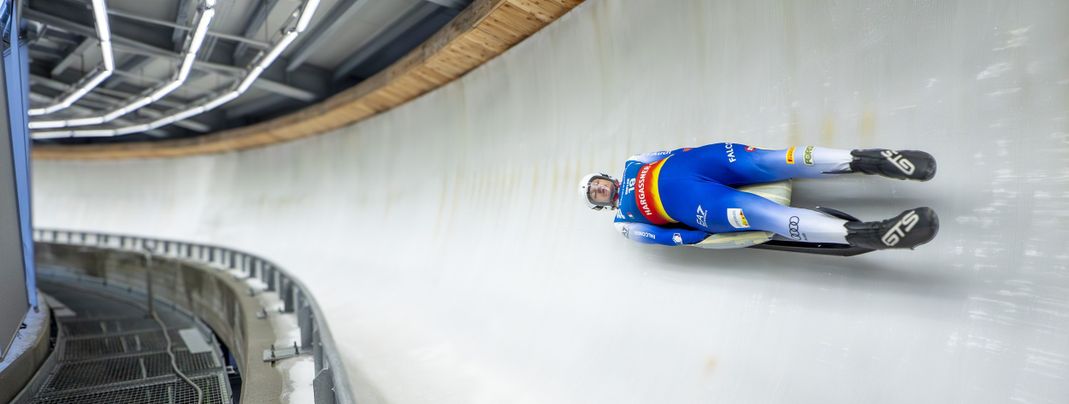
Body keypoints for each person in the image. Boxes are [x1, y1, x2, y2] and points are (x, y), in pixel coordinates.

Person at [578, 143, 939, 250]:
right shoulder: (624, 223)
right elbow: (662, 237)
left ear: (604, 176)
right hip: (702, 207)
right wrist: (700, 236)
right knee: (767, 216)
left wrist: (700, 151)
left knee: (776, 159)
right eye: (595, 194)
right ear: (600, 204)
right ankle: (868, 234)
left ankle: (866, 159)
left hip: (708, 161)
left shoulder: (632, 162)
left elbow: (672, 151)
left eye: (596, 182)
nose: (599, 189)